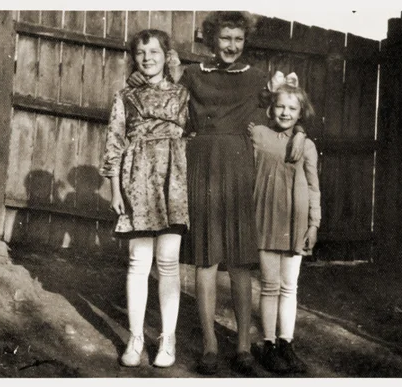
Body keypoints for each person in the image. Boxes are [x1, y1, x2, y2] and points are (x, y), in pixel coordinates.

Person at [127, 11, 307, 375]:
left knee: (240, 262)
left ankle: (242, 347)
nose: (231, 46)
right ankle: (209, 344)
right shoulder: (193, 74)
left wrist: (300, 132)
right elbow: (152, 84)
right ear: (212, 40)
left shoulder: (258, 78)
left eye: (238, 39)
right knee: (206, 260)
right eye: (225, 38)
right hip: (202, 167)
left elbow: (286, 112)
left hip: (240, 170)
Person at [100, 29, 189, 368]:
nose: (148, 58)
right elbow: (114, 141)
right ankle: (135, 338)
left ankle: (168, 339)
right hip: (136, 180)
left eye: (154, 51)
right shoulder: (125, 96)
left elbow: (198, 133)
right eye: (141, 53)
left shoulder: (183, 95)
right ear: (134, 58)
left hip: (173, 181)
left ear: (167, 56)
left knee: (168, 262)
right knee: (138, 262)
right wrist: (114, 188)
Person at [249, 77, 321, 375]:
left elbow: (314, 187)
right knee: (269, 285)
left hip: (296, 221)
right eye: (279, 106)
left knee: (289, 286)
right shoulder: (258, 135)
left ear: (301, 112)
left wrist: (314, 223)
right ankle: (267, 343)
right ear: (271, 109)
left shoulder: (306, 145)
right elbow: (248, 113)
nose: (285, 112)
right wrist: (269, 88)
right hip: (266, 217)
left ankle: (286, 342)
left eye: (292, 108)